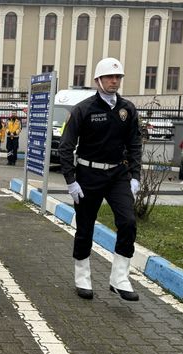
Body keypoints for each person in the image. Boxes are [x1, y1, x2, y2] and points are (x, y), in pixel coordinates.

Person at [59, 57, 142, 302]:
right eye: (109, 77)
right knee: (85, 228)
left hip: (118, 175)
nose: (114, 81)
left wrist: (135, 176)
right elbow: (66, 146)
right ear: (98, 80)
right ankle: (82, 277)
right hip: (88, 175)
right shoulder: (83, 109)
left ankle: (119, 278)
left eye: (117, 77)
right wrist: (71, 180)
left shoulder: (127, 109)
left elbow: (135, 143)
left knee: (127, 223)